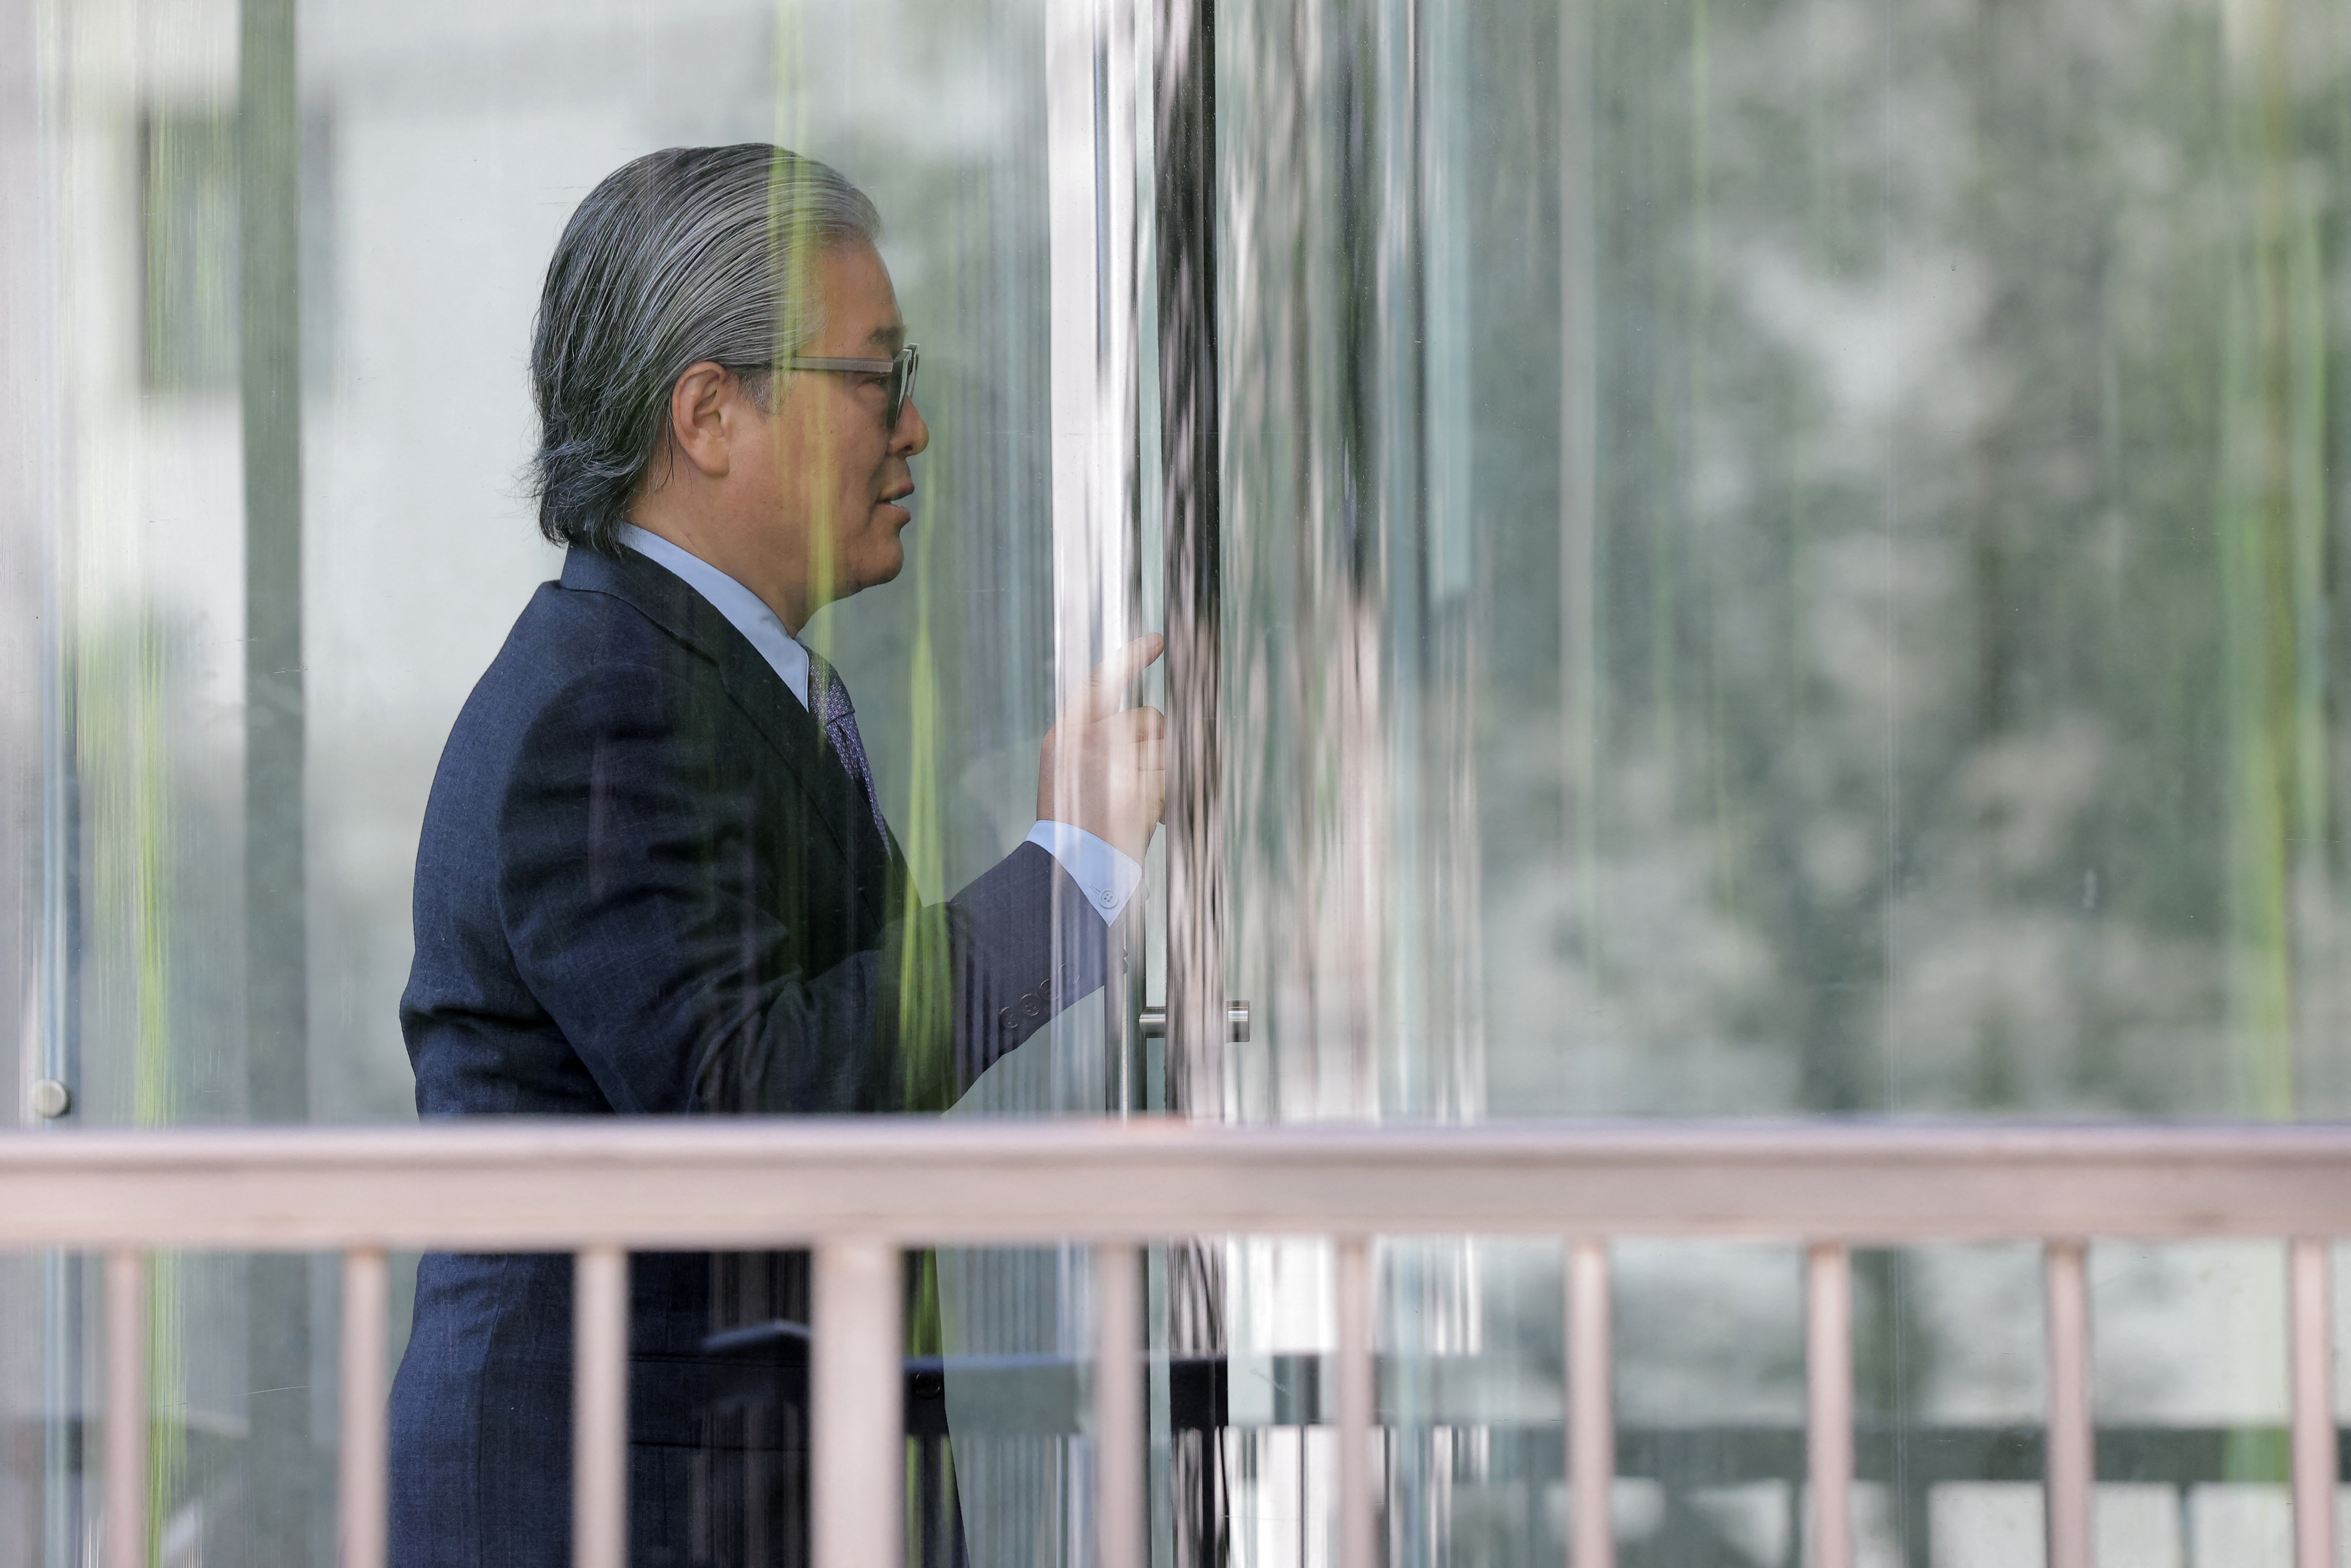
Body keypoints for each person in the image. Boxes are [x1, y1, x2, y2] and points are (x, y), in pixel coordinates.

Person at [387, 143, 1164, 1568]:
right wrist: (1072, 867)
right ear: (708, 413)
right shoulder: (604, 704)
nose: (914, 427)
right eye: (874, 378)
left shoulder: (692, 677)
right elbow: (755, 1088)